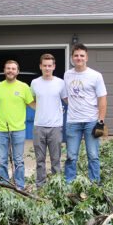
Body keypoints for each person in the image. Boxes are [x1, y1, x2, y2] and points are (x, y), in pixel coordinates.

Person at [64, 44, 107, 183]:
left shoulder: (95, 76)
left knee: (93, 155)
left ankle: (94, 185)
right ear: (72, 58)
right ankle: (68, 185)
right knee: (71, 156)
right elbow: (65, 96)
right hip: (72, 122)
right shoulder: (67, 74)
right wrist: (76, 106)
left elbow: (102, 99)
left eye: (82, 55)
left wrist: (100, 121)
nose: (79, 58)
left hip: (91, 121)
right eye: (76, 55)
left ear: (86, 57)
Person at [0, 60, 35, 189]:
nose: (10, 71)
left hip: (19, 129)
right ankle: (4, 184)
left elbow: (31, 104)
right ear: (5, 70)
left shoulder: (24, 87)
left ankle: (20, 185)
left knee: (18, 160)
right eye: (8, 68)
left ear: (17, 71)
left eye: (13, 68)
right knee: (2, 160)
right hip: (1, 129)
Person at [30, 54, 67, 188]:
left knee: (55, 160)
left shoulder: (60, 83)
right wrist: (41, 110)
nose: (47, 68)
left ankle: (56, 186)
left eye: (49, 66)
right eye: (44, 65)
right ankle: (41, 186)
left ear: (54, 67)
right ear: (40, 66)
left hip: (55, 127)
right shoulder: (35, 83)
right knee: (40, 160)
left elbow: (66, 100)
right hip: (39, 126)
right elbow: (32, 100)